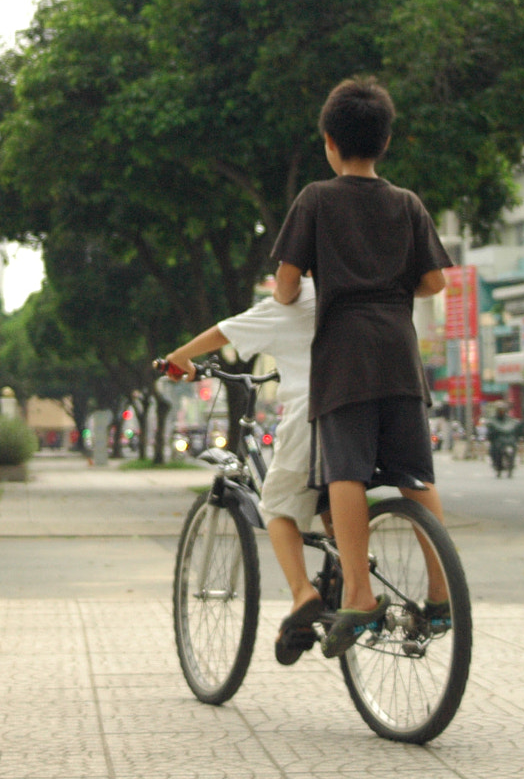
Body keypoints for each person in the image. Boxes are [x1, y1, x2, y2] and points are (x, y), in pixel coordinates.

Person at [270, 76, 452, 658]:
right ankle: (443, 593)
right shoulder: (407, 203)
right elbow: (434, 280)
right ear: (386, 141)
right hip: (400, 352)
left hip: (344, 357)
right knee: (414, 475)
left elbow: (284, 287)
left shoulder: (316, 200)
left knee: (345, 472)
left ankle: (359, 595)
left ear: (329, 141)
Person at [162, 275, 322, 662]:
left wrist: (179, 358)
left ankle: (304, 592)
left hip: (312, 416)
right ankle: (346, 583)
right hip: (363, 412)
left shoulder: (288, 301)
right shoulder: (348, 294)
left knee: (277, 504)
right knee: (332, 494)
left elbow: (224, 331)